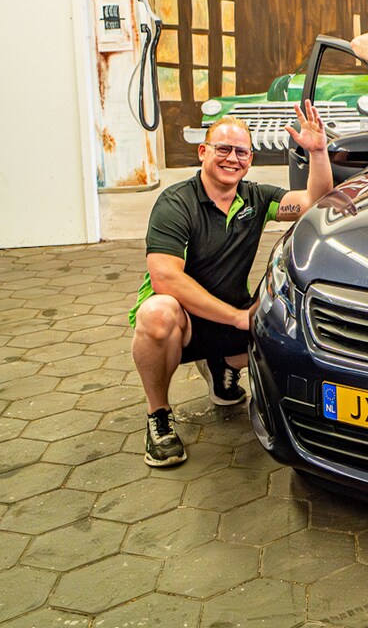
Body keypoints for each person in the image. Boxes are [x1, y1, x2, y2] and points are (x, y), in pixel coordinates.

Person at [129, 105, 334, 467]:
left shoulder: (257, 199)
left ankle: (221, 367)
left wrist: (318, 153)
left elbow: (313, 203)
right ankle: (158, 415)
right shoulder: (176, 203)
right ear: (203, 152)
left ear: (250, 160)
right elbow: (165, 278)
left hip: (228, 311)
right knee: (157, 315)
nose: (232, 158)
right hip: (184, 322)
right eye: (223, 149)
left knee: (280, 321)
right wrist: (238, 318)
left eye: (241, 152)